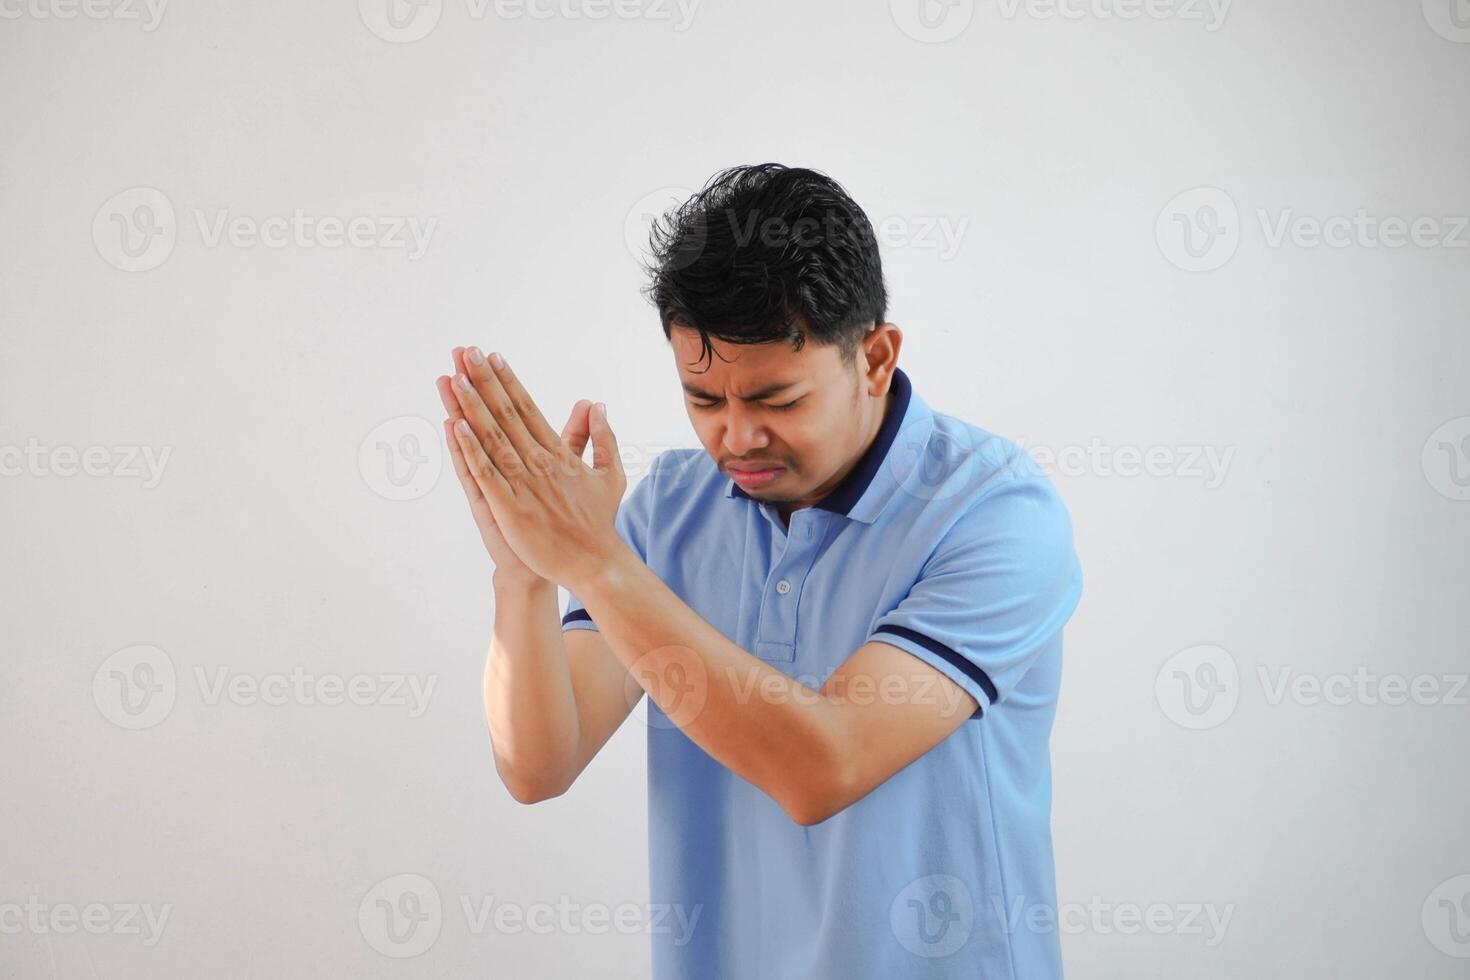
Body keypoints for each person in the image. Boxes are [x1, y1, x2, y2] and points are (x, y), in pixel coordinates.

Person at [434, 163, 1084, 979]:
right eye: (704, 401)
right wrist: (525, 573)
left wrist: (594, 563)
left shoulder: (995, 512)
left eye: (777, 400)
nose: (737, 439)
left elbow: (824, 767)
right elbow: (538, 765)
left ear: (875, 358)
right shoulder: (668, 509)